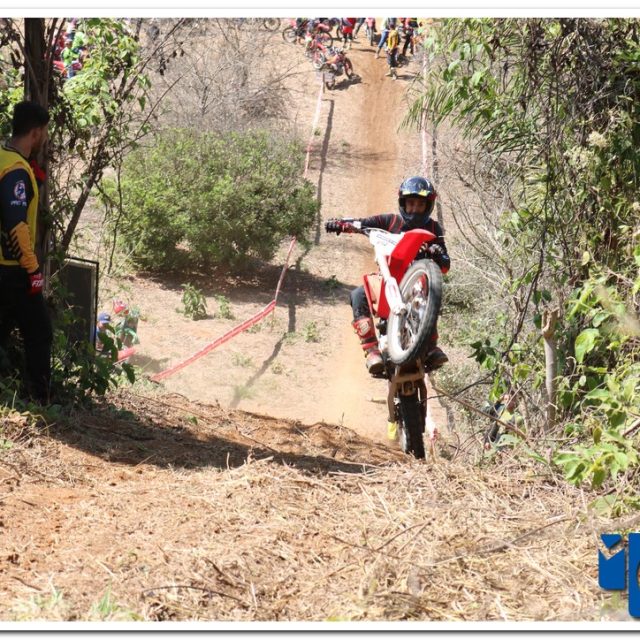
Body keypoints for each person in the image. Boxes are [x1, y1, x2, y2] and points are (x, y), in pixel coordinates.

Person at [325, 176, 450, 375]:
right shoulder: (390, 221)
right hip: (388, 280)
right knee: (358, 295)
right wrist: (340, 224)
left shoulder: (434, 229)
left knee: (430, 293)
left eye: (420, 205)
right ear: (403, 204)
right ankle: (371, 350)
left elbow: (445, 266)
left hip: (417, 284)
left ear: (428, 206)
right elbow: (362, 223)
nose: (415, 209)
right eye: (411, 204)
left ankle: (431, 347)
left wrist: (437, 251)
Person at [0, 101, 53, 403]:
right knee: (39, 332)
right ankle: (41, 400)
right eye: (44, 132)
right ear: (35, 133)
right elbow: (16, 224)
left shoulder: (4, 156)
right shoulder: (16, 171)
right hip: (13, 269)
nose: (44, 137)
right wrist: (32, 270)